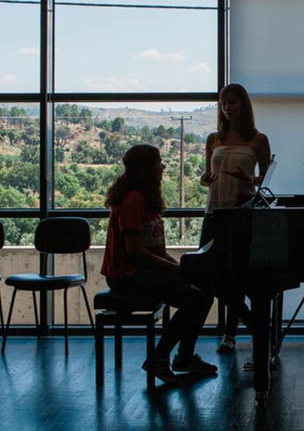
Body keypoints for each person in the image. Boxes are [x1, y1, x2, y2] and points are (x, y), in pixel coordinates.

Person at [101, 144, 216, 384]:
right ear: (146, 169)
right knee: (195, 299)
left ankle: (184, 357)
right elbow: (135, 252)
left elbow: (156, 251)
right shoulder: (133, 200)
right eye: (158, 162)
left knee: (205, 287)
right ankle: (160, 357)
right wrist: (176, 269)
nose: (163, 166)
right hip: (127, 276)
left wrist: (183, 267)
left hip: (142, 271)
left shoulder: (143, 198)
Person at [199, 83, 271, 356]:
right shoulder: (213, 139)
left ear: (244, 105)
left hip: (242, 213)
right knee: (207, 274)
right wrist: (205, 180)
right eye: (223, 103)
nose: (227, 108)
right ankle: (248, 323)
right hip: (214, 212)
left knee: (238, 275)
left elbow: (265, 180)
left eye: (232, 102)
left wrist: (249, 180)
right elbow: (208, 177)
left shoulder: (258, 139)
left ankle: (230, 334)